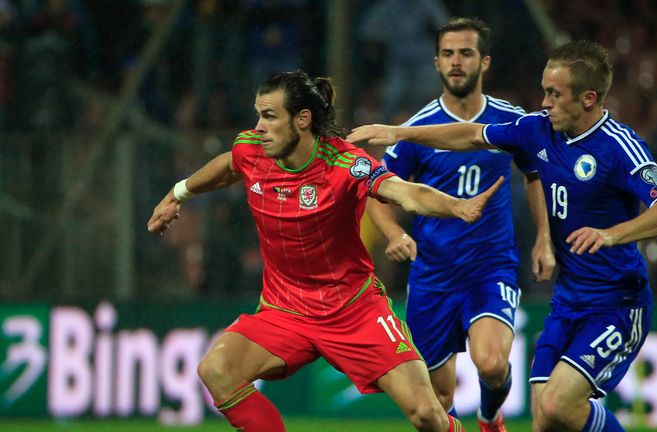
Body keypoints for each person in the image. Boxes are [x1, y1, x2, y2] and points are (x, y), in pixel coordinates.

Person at [348, 40, 657, 432]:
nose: (544, 102)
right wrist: (401, 133)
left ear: (589, 99)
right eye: (544, 90)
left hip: (617, 301)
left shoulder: (619, 146)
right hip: (568, 300)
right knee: (545, 418)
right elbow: (471, 135)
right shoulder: (537, 129)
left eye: (555, 95)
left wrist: (612, 234)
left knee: (559, 405)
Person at [146, 70, 506, 432]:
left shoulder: (346, 165)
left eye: (269, 116)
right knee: (216, 369)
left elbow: (404, 192)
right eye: (258, 114)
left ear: (302, 119)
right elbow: (229, 164)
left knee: (428, 415)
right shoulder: (252, 149)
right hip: (285, 311)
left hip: (354, 311)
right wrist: (179, 194)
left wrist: (456, 206)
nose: (258, 126)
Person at [365, 17, 554, 432]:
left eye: (465, 53)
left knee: (491, 364)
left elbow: (535, 174)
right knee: (440, 399)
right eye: (448, 54)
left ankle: (490, 418)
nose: (456, 62)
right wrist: (395, 234)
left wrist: (544, 239)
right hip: (433, 273)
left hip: (491, 267)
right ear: (435, 62)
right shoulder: (415, 129)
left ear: (484, 62)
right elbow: (376, 191)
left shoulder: (510, 120)